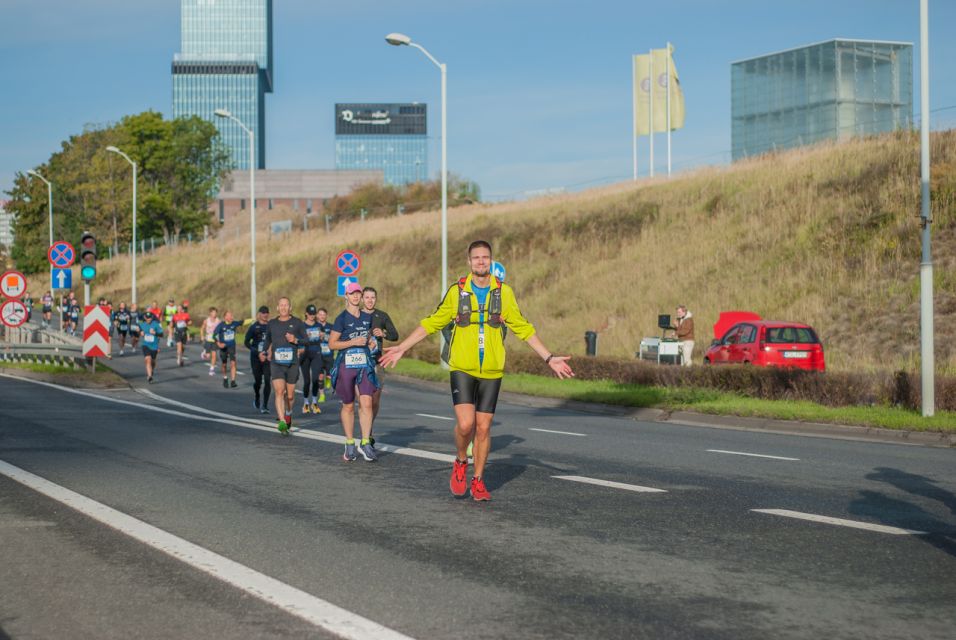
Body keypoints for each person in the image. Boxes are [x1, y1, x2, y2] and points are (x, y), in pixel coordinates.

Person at [380, 240, 574, 501]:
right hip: (462, 367)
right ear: (469, 262)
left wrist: (549, 358)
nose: (481, 262)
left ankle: (478, 480)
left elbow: (523, 329)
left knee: (483, 428)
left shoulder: (504, 293)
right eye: (476, 258)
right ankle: (461, 461)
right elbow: (432, 322)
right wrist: (402, 347)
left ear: (491, 262)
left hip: (492, 370)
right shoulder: (457, 292)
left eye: (485, 258)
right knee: (466, 424)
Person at [328, 282, 380, 462]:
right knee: (349, 405)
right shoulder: (341, 319)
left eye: (358, 293)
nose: (356, 296)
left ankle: (365, 442)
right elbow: (332, 344)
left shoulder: (367, 317)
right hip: (346, 365)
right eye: (352, 294)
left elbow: (369, 337)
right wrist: (352, 342)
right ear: (346, 297)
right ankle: (350, 443)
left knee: (366, 402)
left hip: (364, 364)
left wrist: (371, 342)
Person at [263, 297, 307, 434]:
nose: (283, 307)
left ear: (290, 307)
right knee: (279, 392)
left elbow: (306, 341)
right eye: (281, 305)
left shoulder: (297, 323)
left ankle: (288, 413)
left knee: (290, 396)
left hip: (292, 363)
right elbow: (267, 340)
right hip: (276, 363)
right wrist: (265, 351)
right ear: (277, 308)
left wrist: (295, 340)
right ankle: (282, 421)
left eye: (286, 305)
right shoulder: (271, 323)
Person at [362, 286, 399, 447]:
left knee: (375, 401)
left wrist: (383, 334)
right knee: (365, 401)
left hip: (377, 362)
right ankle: (367, 432)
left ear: (376, 299)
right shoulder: (356, 315)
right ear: (362, 299)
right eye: (367, 297)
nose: (370, 300)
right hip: (360, 363)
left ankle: (369, 426)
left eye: (373, 298)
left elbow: (394, 335)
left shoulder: (381, 316)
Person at [244, 306, 272, 414]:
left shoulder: (271, 326)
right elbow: (246, 342)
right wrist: (257, 352)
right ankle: (257, 396)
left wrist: (270, 352)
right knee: (258, 381)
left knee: (268, 381)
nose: (265, 315)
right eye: (263, 313)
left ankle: (264, 405)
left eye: (267, 313)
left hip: (267, 357)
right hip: (256, 357)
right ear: (259, 314)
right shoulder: (254, 327)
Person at [299, 304, 326, 415]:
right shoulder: (301, 326)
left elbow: (323, 338)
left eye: (313, 314)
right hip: (305, 354)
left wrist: (321, 336)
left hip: (316, 353)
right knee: (307, 381)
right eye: (310, 314)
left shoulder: (319, 325)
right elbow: (298, 340)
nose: (312, 316)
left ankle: (314, 402)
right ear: (306, 314)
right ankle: (305, 403)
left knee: (315, 379)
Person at [214, 310, 243, 388]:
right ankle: (225, 377)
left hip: (231, 346)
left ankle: (233, 381)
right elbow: (214, 335)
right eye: (230, 316)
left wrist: (254, 318)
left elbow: (242, 322)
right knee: (224, 364)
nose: (232, 317)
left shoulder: (234, 323)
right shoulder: (221, 325)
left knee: (233, 362)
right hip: (223, 347)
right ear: (225, 317)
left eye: (232, 315)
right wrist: (219, 344)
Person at [138, 311, 164, 383]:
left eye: (150, 318)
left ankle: (151, 371)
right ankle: (149, 376)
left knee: (153, 361)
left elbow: (162, 335)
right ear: (145, 318)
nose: (148, 319)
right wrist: (140, 332)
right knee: (148, 359)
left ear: (152, 318)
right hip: (146, 345)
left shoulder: (156, 324)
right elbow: (139, 330)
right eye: (147, 318)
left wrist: (155, 333)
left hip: (154, 346)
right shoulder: (142, 325)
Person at [315, 308, 334, 403]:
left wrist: (325, 336)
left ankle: (329, 379)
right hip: (318, 355)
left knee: (329, 374)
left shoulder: (331, 326)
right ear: (317, 315)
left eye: (324, 314)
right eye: (320, 314)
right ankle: (322, 395)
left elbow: (334, 339)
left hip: (329, 354)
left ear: (326, 316)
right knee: (320, 376)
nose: (322, 316)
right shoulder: (314, 326)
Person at [200, 307, 221, 375]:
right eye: (213, 312)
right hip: (208, 339)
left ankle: (211, 369)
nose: (215, 314)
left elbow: (221, 330)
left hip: (215, 340)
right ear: (210, 313)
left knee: (214, 355)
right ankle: (204, 353)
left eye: (215, 312)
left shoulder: (218, 321)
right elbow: (202, 328)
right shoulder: (206, 320)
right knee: (208, 356)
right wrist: (202, 336)